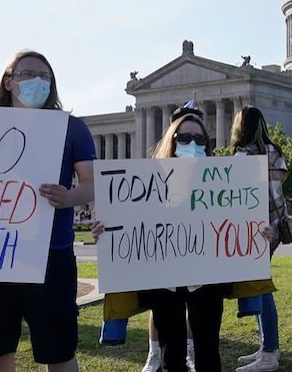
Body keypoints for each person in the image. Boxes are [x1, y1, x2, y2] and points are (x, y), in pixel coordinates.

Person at [93, 107, 269, 372]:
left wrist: (261, 232)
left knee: (208, 352)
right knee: (171, 355)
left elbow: (239, 222)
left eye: (200, 140)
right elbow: (129, 223)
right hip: (165, 283)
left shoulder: (223, 183)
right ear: (171, 142)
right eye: (184, 139)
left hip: (208, 281)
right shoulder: (146, 183)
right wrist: (105, 229)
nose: (193, 145)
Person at [0, 50, 96, 372]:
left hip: (51, 253)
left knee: (59, 352)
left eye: (45, 76)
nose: (38, 81)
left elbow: (92, 182)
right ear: (9, 81)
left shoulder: (71, 127)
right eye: (28, 74)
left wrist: (69, 197)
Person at [230, 106, 291, 372]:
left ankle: (269, 353)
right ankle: (268, 347)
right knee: (260, 286)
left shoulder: (244, 155)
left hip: (255, 229)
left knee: (262, 289)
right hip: (275, 226)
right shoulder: (273, 151)